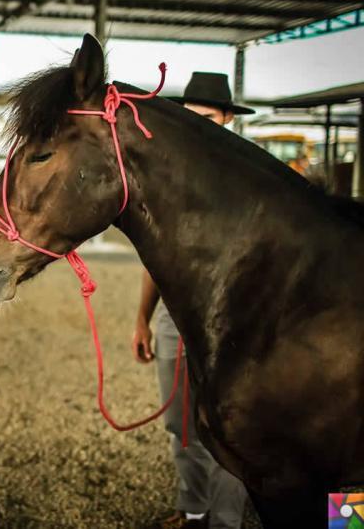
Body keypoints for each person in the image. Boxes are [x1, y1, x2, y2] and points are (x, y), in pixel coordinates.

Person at [131, 72, 254, 529]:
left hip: (232, 321)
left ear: (227, 120)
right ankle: (194, 507)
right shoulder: (172, 181)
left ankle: (224, 521)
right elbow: (155, 257)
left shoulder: (252, 181)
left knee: (230, 431)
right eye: (192, 119)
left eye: (209, 119)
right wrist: (142, 319)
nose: (200, 128)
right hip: (174, 317)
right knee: (181, 422)